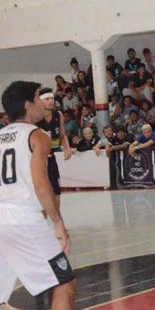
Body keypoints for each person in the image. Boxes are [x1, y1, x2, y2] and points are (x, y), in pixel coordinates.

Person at [0, 81, 76, 309]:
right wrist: (58, 223)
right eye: (36, 97)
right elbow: (41, 184)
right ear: (27, 105)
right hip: (23, 220)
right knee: (64, 284)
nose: (41, 102)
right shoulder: (37, 135)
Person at [36, 88, 74, 215]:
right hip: (37, 159)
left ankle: (57, 218)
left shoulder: (58, 115)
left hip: (51, 157)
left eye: (52, 98)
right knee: (41, 190)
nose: (50, 101)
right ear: (40, 102)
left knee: (56, 190)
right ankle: (41, 219)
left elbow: (62, 135)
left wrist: (67, 148)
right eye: (47, 99)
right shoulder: (34, 117)